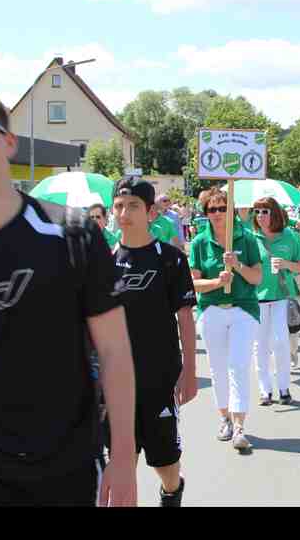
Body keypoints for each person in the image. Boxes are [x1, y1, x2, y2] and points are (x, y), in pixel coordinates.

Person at [0, 85, 137, 506]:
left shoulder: (71, 234)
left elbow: (114, 351)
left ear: (9, 142)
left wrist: (123, 458)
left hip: (62, 465)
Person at [109, 178, 198, 507]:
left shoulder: (170, 259)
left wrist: (189, 371)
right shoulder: (103, 261)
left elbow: (185, 318)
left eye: (133, 205)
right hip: (115, 379)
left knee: (164, 463)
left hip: (159, 376)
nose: (124, 212)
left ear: (150, 212)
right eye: (119, 206)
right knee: (121, 459)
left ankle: (172, 492)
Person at [188, 187, 263, 452]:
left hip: (244, 309)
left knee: (238, 364)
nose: (218, 214)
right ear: (206, 213)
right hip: (211, 310)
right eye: (212, 209)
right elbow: (194, 283)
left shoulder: (248, 239)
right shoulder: (199, 242)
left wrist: (238, 267)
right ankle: (225, 418)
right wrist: (217, 281)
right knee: (218, 367)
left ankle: (240, 425)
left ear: (231, 210)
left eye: (223, 208)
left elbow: (257, 278)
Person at [251, 197, 300, 406]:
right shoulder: (250, 238)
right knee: (260, 345)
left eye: (264, 211)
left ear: (274, 213)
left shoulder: (291, 237)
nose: (260, 216)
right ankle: (264, 390)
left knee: (280, 341)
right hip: (256, 298)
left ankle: (284, 387)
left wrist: (287, 264)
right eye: (256, 212)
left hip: (282, 296)